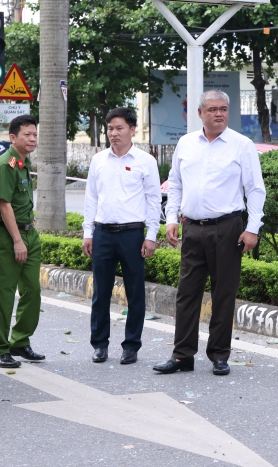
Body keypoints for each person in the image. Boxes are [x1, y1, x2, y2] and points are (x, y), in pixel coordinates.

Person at [154, 90, 266, 377]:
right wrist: (170, 219)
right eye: (213, 109)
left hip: (227, 228)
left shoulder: (241, 145)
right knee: (187, 293)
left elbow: (255, 189)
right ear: (200, 113)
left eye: (224, 109)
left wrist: (252, 228)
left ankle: (219, 355)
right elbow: (175, 184)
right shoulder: (186, 143)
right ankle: (182, 355)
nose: (219, 114)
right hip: (192, 228)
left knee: (223, 294)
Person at [81, 107, 162, 365]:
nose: (114, 133)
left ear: (132, 130)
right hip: (103, 233)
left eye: (119, 128)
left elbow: (153, 201)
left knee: (135, 292)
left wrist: (151, 236)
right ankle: (99, 345)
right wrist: (88, 232)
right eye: (110, 128)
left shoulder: (145, 161)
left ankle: (131, 346)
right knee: (100, 293)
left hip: (132, 234)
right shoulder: (99, 160)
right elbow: (91, 197)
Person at [0, 114, 44, 368]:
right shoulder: (5, 165)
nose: (33, 138)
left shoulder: (23, 163)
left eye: (34, 134)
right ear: (13, 138)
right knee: (3, 295)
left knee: (32, 291)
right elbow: (4, 204)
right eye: (27, 135)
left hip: (29, 233)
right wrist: (18, 241)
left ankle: (20, 341)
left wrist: (27, 237)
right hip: (8, 236)